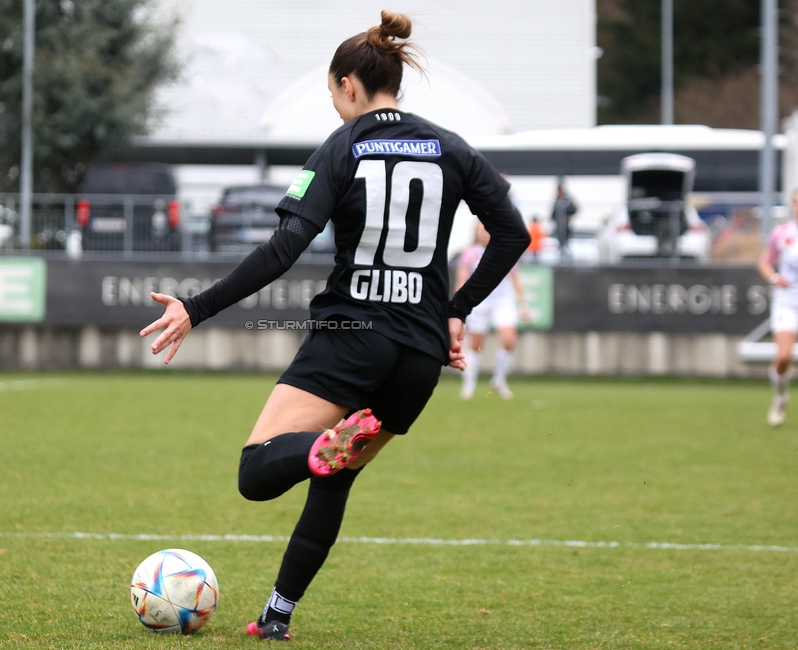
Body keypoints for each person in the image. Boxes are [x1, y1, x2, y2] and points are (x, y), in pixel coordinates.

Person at [140, 10, 529, 641]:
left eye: (332, 95)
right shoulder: (452, 148)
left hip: (353, 336)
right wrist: (456, 309)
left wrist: (197, 307)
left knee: (259, 468)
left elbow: (283, 248)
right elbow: (513, 234)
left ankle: (319, 453)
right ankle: (277, 616)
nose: (334, 107)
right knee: (334, 477)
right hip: (420, 356)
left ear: (349, 84)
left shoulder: (344, 145)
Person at [455, 221, 531, 400]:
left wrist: (523, 304)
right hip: (479, 302)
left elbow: (516, 279)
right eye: (481, 228)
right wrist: (459, 307)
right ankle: (469, 384)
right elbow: (461, 279)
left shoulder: (505, 250)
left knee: (509, 340)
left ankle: (498, 380)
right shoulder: (469, 253)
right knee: (476, 345)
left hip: (502, 301)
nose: (484, 232)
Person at [758, 189, 798, 426]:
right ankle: (780, 397)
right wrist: (775, 278)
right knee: (783, 356)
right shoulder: (781, 234)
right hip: (787, 301)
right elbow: (764, 262)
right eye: (795, 202)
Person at [551, 178, 577, 260]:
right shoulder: (557, 200)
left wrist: (567, 217)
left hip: (566, 227)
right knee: (561, 244)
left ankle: (567, 258)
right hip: (559, 227)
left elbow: (574, 209)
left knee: (566, 244)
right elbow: (553, 213)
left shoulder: (567, 200)